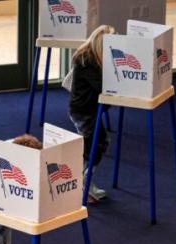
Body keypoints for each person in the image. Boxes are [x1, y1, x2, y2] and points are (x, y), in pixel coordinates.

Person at [68, 24, 115, 203]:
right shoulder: (88, 61)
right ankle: (82, 183)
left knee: (98, 143)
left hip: (87, 110)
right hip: (83, 112)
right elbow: (104, 87)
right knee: (94, 147)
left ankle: (83, 180)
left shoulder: (88, 57)